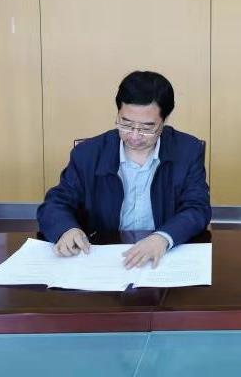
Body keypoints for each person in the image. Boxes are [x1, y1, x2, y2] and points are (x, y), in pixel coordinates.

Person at [37, 70, 211, 268]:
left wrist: (163, 237)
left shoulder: (187, 151)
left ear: (164, 121)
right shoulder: (88, 154)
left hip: (163, 257)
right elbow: (55, 204)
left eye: (147, 128)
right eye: (126, 124)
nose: (134, 136)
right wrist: (66, 229)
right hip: (103, 258)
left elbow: (198, 208)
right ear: (118, 113)